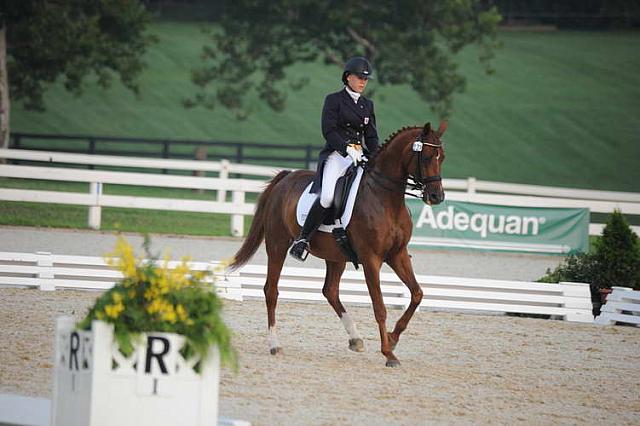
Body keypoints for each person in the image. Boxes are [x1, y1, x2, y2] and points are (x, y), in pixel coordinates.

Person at [289, 56, 380, 261]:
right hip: (337, 156)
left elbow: (372, 136)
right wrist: (347, 149)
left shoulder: (368, 105)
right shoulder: (334, 100)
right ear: (347, 77)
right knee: (327, 196)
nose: (363, 82)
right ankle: (303, 240)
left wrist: (376, 157)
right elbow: (328, 131)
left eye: (365, 79)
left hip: (359, 157)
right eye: (359, 78)